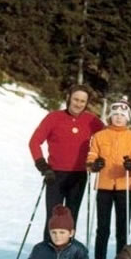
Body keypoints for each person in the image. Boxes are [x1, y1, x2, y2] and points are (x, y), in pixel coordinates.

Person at [29, 84, 104, 239]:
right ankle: (48, 255)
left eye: (83, 101)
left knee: (71, 218)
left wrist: (98, 160)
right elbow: (34, 142)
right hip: (55, 175)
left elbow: (107, 140)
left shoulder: (92, 121)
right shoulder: (54, 117)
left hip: (79, 175)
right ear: (68, 98)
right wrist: (42, 166)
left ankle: (67, 257)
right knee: (53, 217)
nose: (78, 104)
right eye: (76, 99)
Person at [87, 97, 131, 259]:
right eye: (115, 114)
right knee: (103, 227)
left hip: (125, 186)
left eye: (122, 115)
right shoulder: (100, 136)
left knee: (122, 227)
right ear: (110, 116)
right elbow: (91, 156)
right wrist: (94, 165)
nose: (118, 118)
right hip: (104, 185)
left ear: (128, 118)